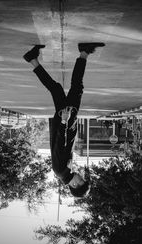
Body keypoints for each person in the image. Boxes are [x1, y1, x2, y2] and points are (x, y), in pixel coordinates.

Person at [23, 42, 105, 197]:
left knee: (76, 88)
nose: (82, 177)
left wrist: (63, 121)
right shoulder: (64, 172)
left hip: (66, 120)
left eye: (81, 181)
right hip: (66, 121)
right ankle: (33, 59)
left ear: (74, 184)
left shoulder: (60, 170)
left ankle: (84, 52)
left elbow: (59, 144)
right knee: (57, 89)